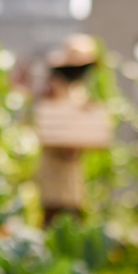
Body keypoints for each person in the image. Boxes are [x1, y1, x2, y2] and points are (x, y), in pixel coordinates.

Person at [35, 34, 112, 226]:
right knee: (52, 219)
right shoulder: (52, 89)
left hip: (72, 171)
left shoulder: (79, 91)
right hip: (53, 170)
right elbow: (49, 125)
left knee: (74, 220)